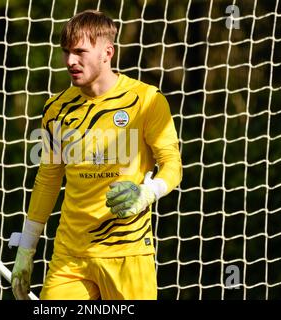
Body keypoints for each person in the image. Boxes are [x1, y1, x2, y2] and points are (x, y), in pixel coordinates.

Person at [10, 10, 182, 300]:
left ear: (107, 52)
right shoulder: (56, 109)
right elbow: (48, 180)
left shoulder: (147, 100)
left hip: (128, 252)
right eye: (66, 52)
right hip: (71, 255)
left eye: (80, 52)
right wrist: (26, 249)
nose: (70, 61)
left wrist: (146, 193)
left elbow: (172, 165)